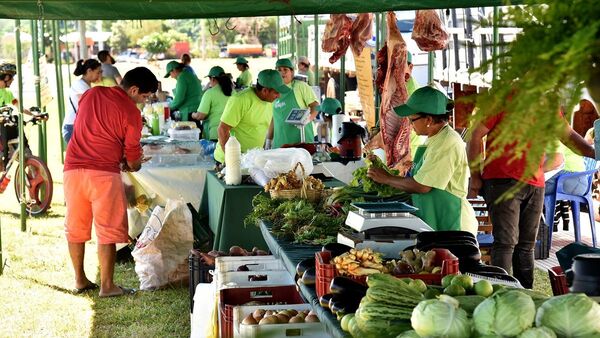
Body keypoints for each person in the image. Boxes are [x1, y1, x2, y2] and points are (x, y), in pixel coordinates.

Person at [467, 106, 595, 289]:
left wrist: (594, 152)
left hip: (535, 184)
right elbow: (475, 135)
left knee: (527, 246)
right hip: (502, 181)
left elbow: (571, 139)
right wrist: (475, 177)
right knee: (505, 242)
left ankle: (526, 293)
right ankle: (497, 293)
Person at [64, 67, 158, 297]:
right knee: (106, 230)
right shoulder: (132, 113)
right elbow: (133, 159)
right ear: (134, 90)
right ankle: (107, 286)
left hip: (73, 169)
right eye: (145, 97)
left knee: (76, 227)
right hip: (104, 174)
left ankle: (80, 280)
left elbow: (89, 127)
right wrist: (134, 163)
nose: (144, 102)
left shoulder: (91, 94)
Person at [367, 86, 478, 235]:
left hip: (452, 223)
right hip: (435, 218)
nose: (410, 125)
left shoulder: (447, 142)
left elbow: (423, 186)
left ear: (429, 120)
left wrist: (387, 179)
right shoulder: (434, 139)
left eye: (412, 120)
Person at [214, 69, 290, 164]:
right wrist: (231, 159)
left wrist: (267, 144)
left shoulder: (269, 101)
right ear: (265, 91)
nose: (279, 96)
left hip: (251, 160)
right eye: (276, 92)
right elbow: (222, 129)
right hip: (230, 161)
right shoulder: (240, 100)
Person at [364, 51, 424, 163]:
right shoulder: (394, 84)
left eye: (400, 67)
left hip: (406, 152)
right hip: (398, 152)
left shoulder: (408, 90)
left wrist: (377, 139)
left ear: (410, 67)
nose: (395, 71)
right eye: (392, 68)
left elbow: (396, 128)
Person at [266, 58, 319, 149]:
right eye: (279, 70)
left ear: (292, 72)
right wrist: (268, 140)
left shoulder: (300, 86)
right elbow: (274, 118)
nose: (282, 72)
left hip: (301, 141)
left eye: (285, 70)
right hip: (280, 143)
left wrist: (308, 119)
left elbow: (315, 106)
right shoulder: (274, 90)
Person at [0, 62, 35, 170]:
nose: (13, 80)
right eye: (12, 77)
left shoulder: (7, 93)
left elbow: (19, 106)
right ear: (6, 77)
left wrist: (33, 114)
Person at [62, 59, 102, 144]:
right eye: (98, 73)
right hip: (72, 127)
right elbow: (91, 106)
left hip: (78, 126)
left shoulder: (85, 85)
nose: (100, 76)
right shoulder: (80, 85)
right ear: (89, 71)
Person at [191, 66, 233, 141]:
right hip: (232, 134)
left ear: (212, 79)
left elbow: (200, 116)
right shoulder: (234, 92)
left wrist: (193, 115)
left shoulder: (210, 93)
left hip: (216, 134)